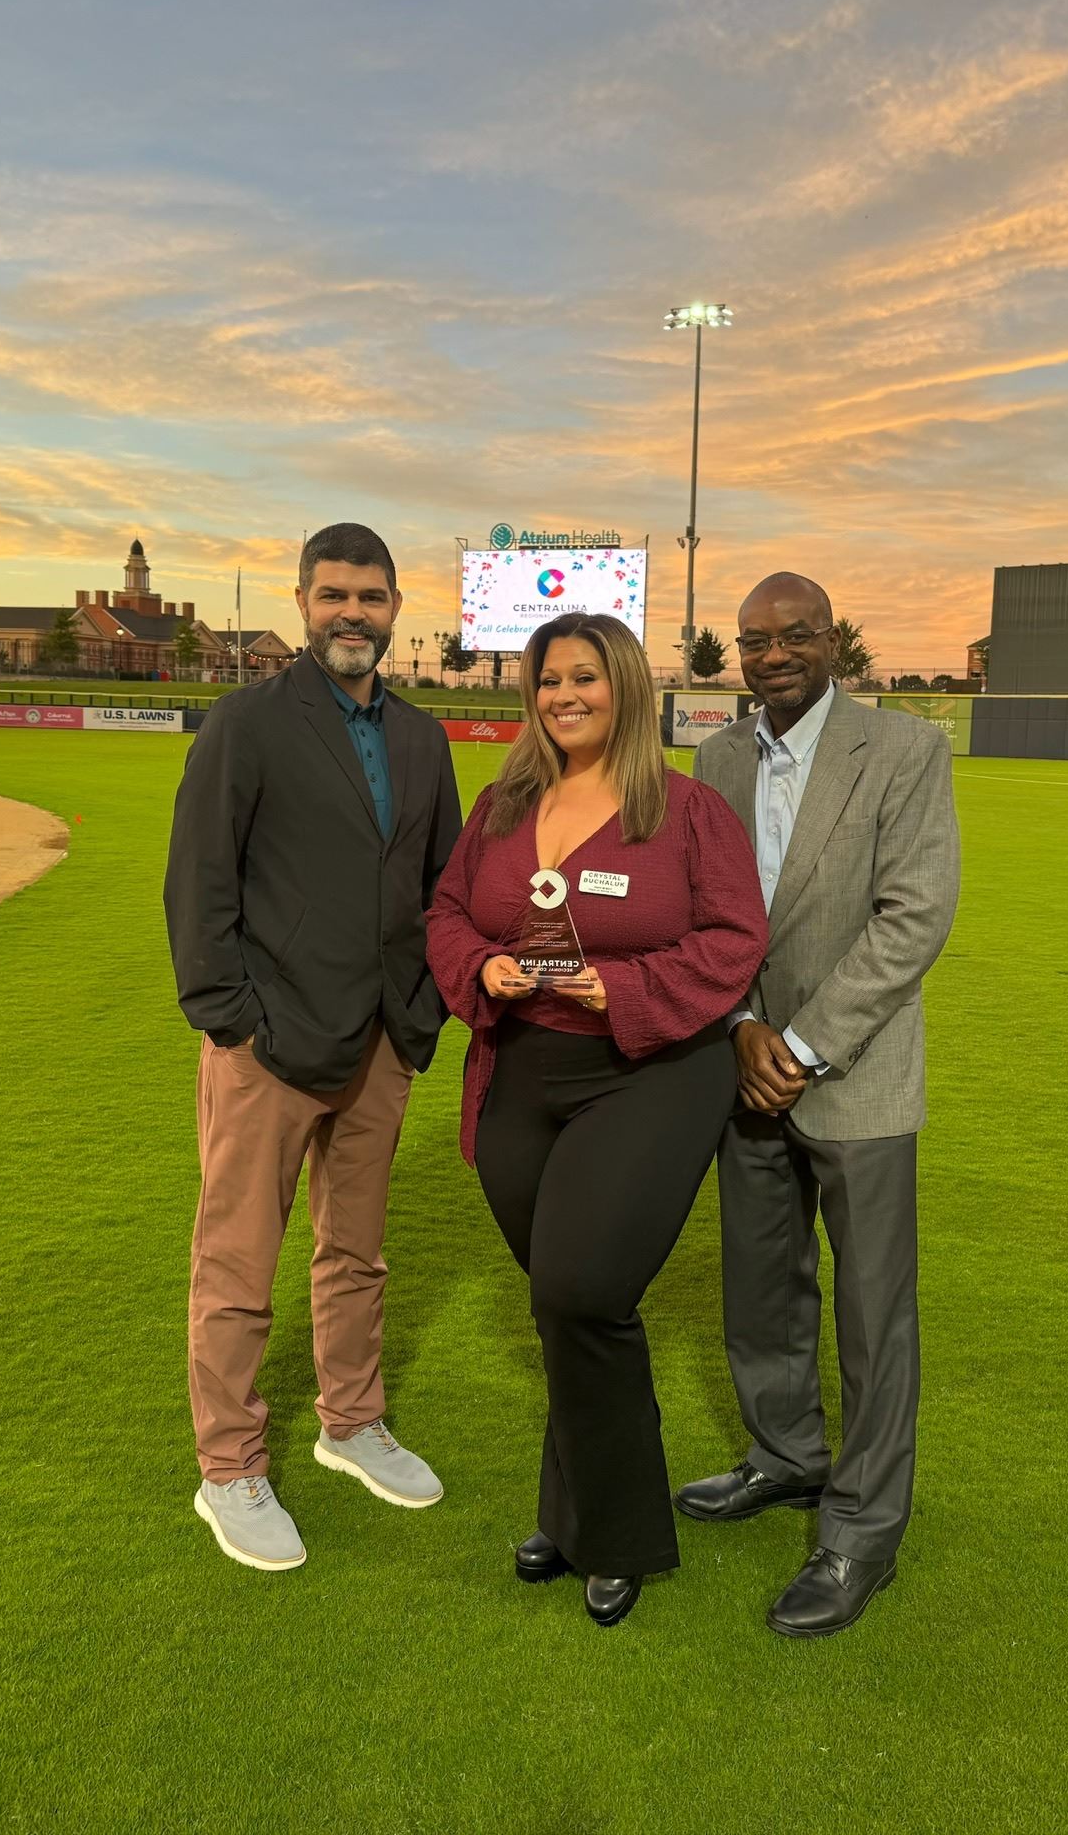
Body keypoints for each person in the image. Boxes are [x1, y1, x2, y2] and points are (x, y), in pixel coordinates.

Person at [426, 613, 767, 1627]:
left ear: (623, 685)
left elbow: (733, 938)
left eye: (584, 676)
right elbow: (446, 913)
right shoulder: (501, 806)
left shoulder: (687, 811)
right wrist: (482, 966)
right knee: (563, 1304)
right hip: (519, 1071)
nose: (563, 695)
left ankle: (616, 1536)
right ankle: (572, 1510)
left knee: (582, 1290)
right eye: (547, 680)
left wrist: (620, 987)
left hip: (647, 1072)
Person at [164, 522, 462, 1570]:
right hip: (269, 1045)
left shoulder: (421, 737)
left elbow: (442, 885)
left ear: (395, 608)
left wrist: (421, 1011)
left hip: (381, 1038)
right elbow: (200, 880)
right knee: (237, 1264)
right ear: (301, 603)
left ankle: (351, 1421)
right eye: (333, 594)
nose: (352, 613)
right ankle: (229, 1465)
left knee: (356, 1253)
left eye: (370, 597)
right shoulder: (246, 722)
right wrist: (232, 1020)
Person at [674, 573, 960, 1637]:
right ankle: (787, 1453)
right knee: (760, 1287)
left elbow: (913, 916)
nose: (774, 654)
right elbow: (702, 915)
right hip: (743, 1064)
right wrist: (743, 1024)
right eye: (754, 640)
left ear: (833, 640)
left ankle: (862, 1531)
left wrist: (797, 1044)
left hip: (855, 1073)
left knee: (873, 1313)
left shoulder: (904, 750)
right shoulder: (715, 759)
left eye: (795, 635)